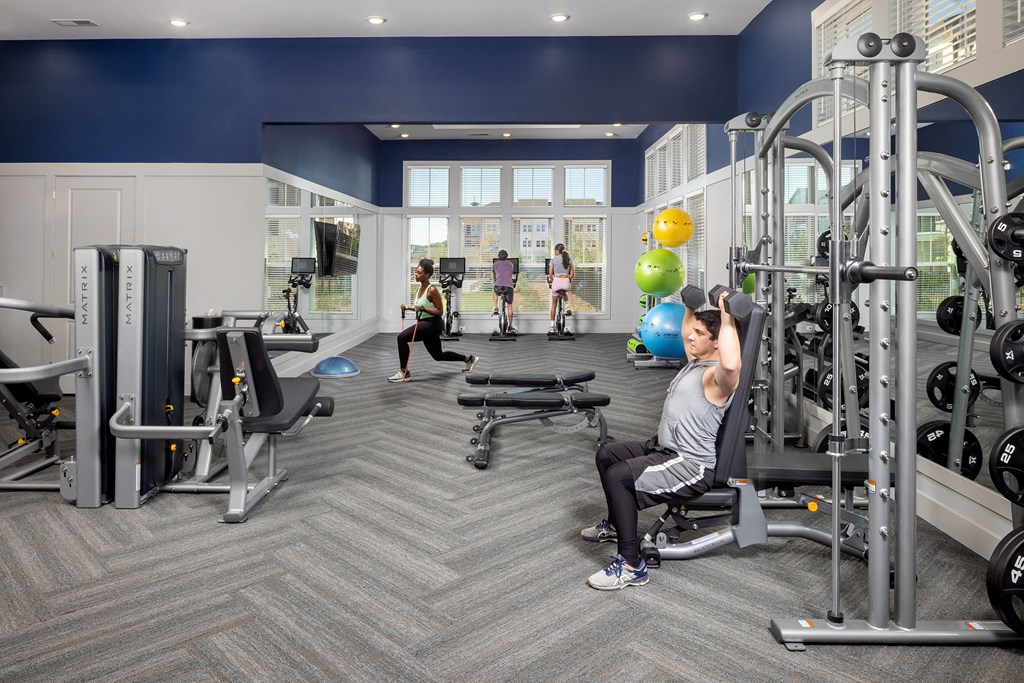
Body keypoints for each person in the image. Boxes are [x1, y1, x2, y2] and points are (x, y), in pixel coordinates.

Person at [582, 289, 741, 590]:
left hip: (690, 465)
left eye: (699, 334)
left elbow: (732, 365)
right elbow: (685, 332)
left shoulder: (718, 378)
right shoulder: (696, 361)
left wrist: (728, 316)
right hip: (664, 448)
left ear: (717, 342)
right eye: (693, 331)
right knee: (607, 455)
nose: (690, 336)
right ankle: (616, 525)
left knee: (618, 477)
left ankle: (631, 565)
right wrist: (690, 307)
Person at [389, 258, 479, 382]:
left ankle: (404, 373)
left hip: (432, 323)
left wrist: (424, 309)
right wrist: (408, 307)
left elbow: (439, 311)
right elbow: (420, 307)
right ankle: (469, 359)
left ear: (427, 275)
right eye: (416, 272)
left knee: (402, 338)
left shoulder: (432, 290)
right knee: (438, 355)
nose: (416, 274)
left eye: (419, 272)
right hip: (426, 324)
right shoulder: (420, 288)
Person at [547, 243, 575, 333]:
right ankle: (567, 306)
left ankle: (552, 326)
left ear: (556, 251)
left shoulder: (553, 260)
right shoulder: (569, 259)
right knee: (565, 292)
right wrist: (567, 280)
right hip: (566, 282)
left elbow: (550, 275)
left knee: (554, 304)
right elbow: (572, 274)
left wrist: (554, 280)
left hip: (556, 283)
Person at [492, 250, 516, 331]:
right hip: (508, 287)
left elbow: (494, 275)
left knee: (495, 292)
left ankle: (496, 307)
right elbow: (510, 274)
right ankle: (510, 326)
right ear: (507, 256)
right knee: (509, 306)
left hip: (498, 286)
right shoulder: (510, 264)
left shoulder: (495, 264)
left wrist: (495, 281)